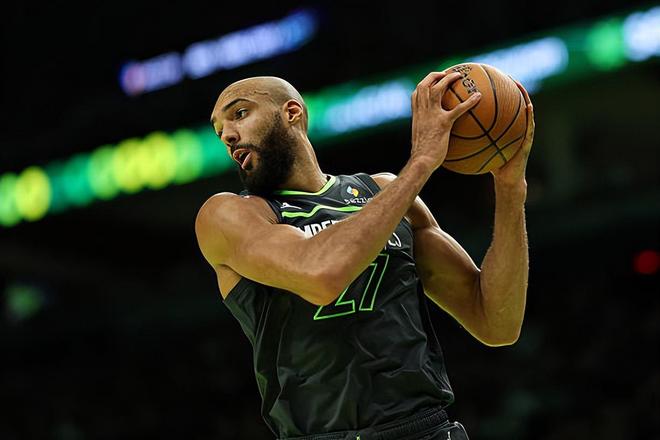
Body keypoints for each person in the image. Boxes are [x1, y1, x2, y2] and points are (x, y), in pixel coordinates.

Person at [195, 73, 534, 440]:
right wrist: (421, 160)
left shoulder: (383, 191)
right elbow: (321, 276)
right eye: (220, 131)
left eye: (240, 114)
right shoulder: (229, 216)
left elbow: (496, 322)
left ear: (292, 113)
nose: (228, 135)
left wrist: (510, 188)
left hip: (427, 429)